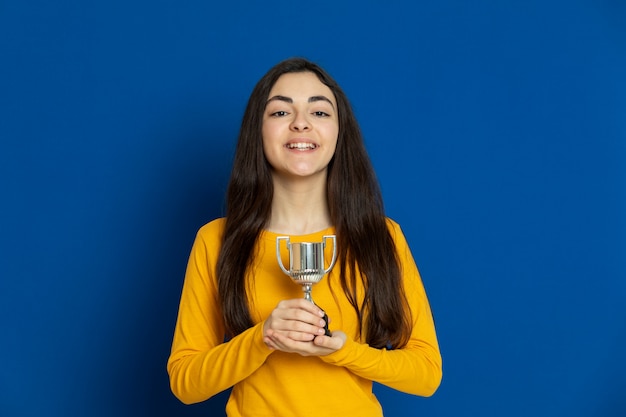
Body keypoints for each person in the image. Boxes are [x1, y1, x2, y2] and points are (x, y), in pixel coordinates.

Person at [167, 57, 442, 416]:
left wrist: (345, 351)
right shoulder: (217, 240)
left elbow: (426, 374)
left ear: (339, 132)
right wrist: (261, 337)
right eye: (281, 113)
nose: (300, 124)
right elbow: (185, 383)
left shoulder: (381, 236)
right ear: (258, 131)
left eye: (320, 113)